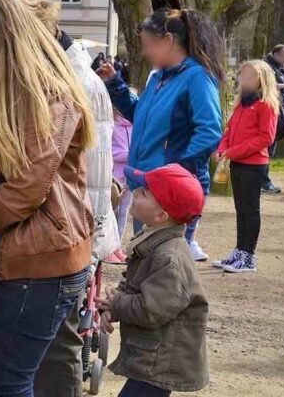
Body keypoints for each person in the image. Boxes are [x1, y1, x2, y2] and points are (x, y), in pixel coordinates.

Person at [0, 0, 94, 397]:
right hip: (26, 258)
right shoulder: (11, 92)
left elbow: (26, 188)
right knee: (6, 377)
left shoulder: (45, 96)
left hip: (40, 265)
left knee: (8, 383)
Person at [11, 0, 115, 397]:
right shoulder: (51, 75)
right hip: (52, 232)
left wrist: (86, 247)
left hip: (69, 234)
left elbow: (94, 176)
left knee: (60, 345)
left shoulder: (79, 84)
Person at [96, 8, 224, 263]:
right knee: (143, 262)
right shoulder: (159, 79)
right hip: (146, 186)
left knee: (163, 266)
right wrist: (116, 85)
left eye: (148, 45)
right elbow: (142, 117)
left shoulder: (197, 78)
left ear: (168, 40)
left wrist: (177, 173)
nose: (144, 53)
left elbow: (209, 130)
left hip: (167, 194)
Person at [98, 164, 209, 397]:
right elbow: (136, 283)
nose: (135, 192)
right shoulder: (154, 239)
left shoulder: (169, 258)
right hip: (153, 352)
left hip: (161, 360)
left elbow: (151, 309)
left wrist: (116, 304)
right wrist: (114, 307)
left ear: (161, 216)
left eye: (144, 193)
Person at [213, 60, 279, 274]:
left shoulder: (265, 105)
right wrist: (223, 147)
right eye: (242, 75)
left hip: (254, 164)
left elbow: (265, 137)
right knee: (240, 209)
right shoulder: (242, 103)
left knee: (250, 210)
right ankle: (240, 250)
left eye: (248, 75)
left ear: (261, 79)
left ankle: (248, 255)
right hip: (237, 163)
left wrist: (234, 151)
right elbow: (230, 130)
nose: (243, 79)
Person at [262, 44, 284, 194]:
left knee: (270, 149)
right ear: (276, 54)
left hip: (281, 112)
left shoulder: (283, 70)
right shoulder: (266, 67)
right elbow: (264, 85)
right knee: (266, 148)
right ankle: (264, 181)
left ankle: (263, 180)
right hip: (271, 111)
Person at [111, 108, 134, 262]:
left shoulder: (135, 126)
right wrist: (129, 154)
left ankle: (117, 246)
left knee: (124, 212)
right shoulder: (112, 125)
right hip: (114, 177)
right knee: (112, 211)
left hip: (129, 176)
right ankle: (109, 247)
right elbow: (110, 151)